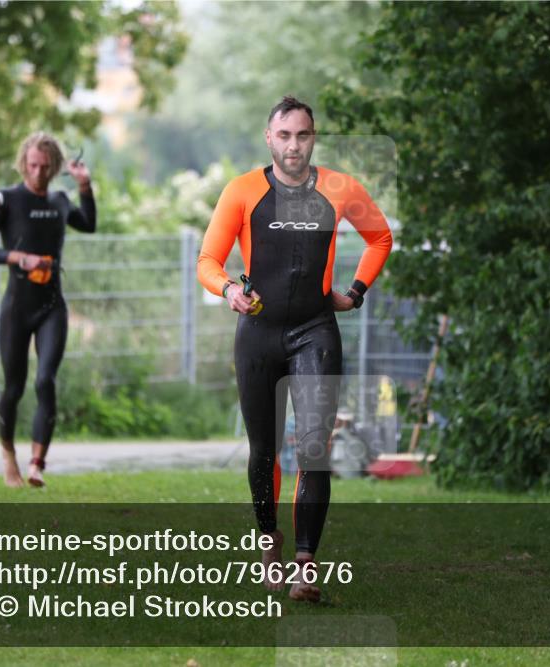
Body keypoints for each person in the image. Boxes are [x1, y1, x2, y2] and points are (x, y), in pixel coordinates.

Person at [197, 96, 392, 601]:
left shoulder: (339, 188)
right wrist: (229, 290)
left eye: (302, 135)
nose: (293, 145)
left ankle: (305, 564)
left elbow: (380, 238)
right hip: (258, 335)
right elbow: (208, 260)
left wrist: (355, 292)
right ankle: (270, 543)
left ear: (313, 138)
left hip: (315, 330)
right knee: (264, 451)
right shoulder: (242, 191)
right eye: (284, 135)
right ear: (269, 137)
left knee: (313, 448)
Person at [0, 132, 96, 488]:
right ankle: (8, 455)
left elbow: (88, 224)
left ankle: (37, 463)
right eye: (32, 165)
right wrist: (17, 257)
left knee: (45, 381)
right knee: (14, 386)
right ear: (23, 163)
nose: (38, 173)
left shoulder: (60, 200)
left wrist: (85, 186)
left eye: (45, 167)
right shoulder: (6, 199)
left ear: (55, 167)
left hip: (51, 306)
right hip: (17, 306)